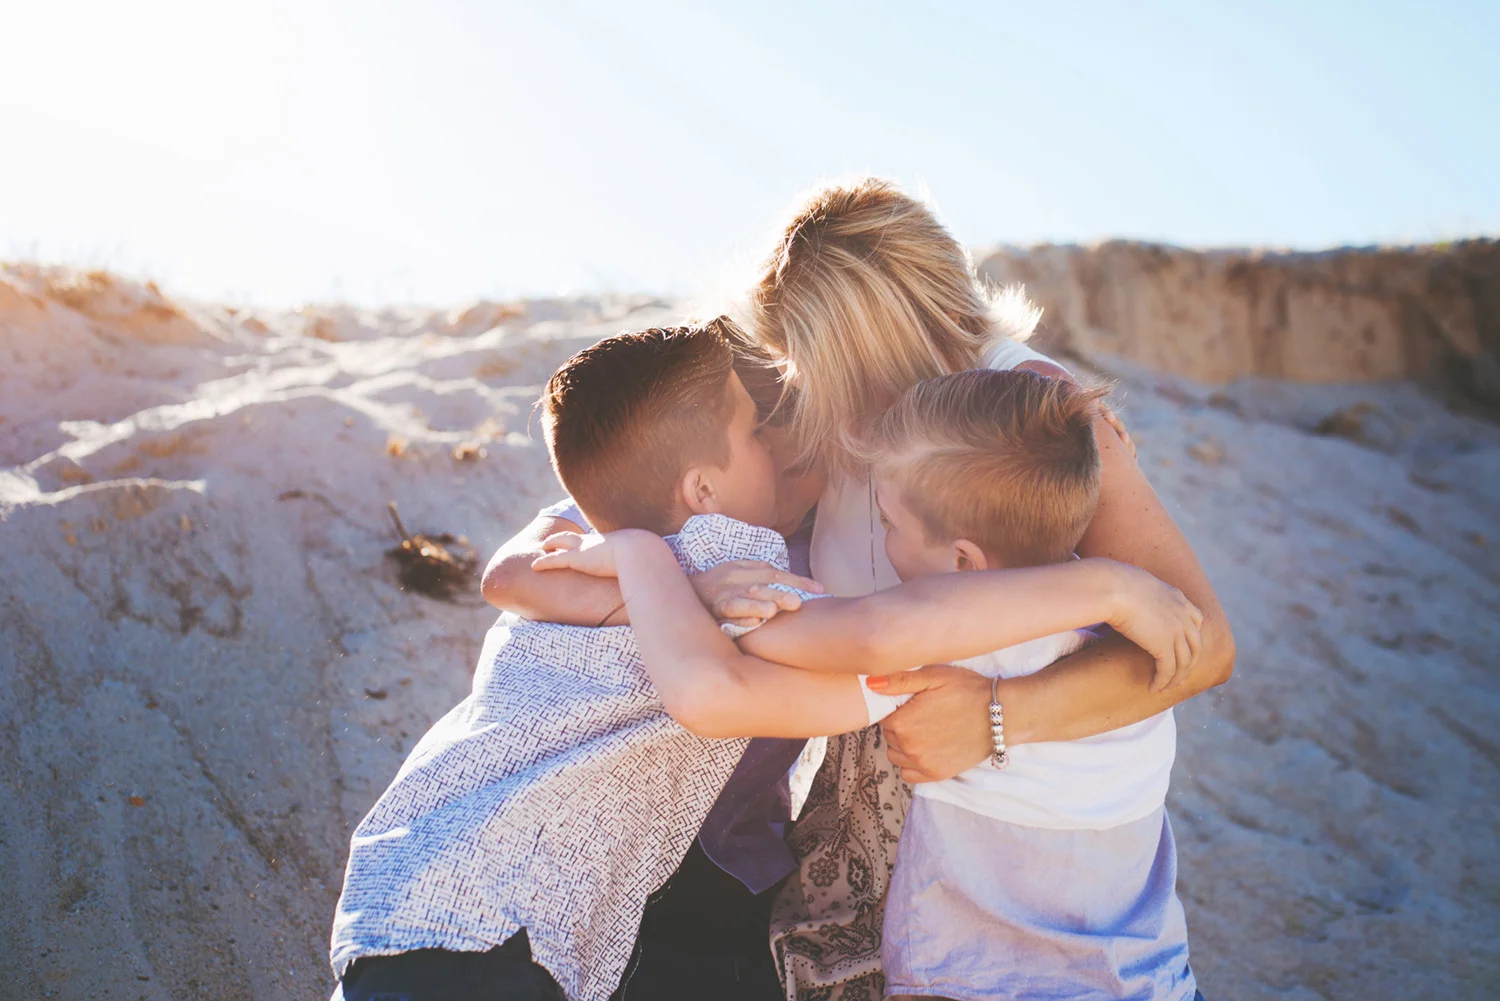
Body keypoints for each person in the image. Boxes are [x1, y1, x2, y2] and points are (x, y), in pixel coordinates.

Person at [333, 320, 1203, 1001]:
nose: (786, 440)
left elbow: (519, 567)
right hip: (494, 925)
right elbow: (859, 638)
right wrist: (1108, 590)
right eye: (758, 427)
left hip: (419, 884)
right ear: (702, 485)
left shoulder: (612, 528)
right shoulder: (728, 546)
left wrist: (641, 556)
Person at [739, 177, 1236, 997]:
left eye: (819, 361)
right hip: (874, 814)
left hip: (1010, 823)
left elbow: (1200, 644)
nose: (806, 388)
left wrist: (994, 720)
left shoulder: (1030, 419)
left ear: (876, 343)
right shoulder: (841, 410)